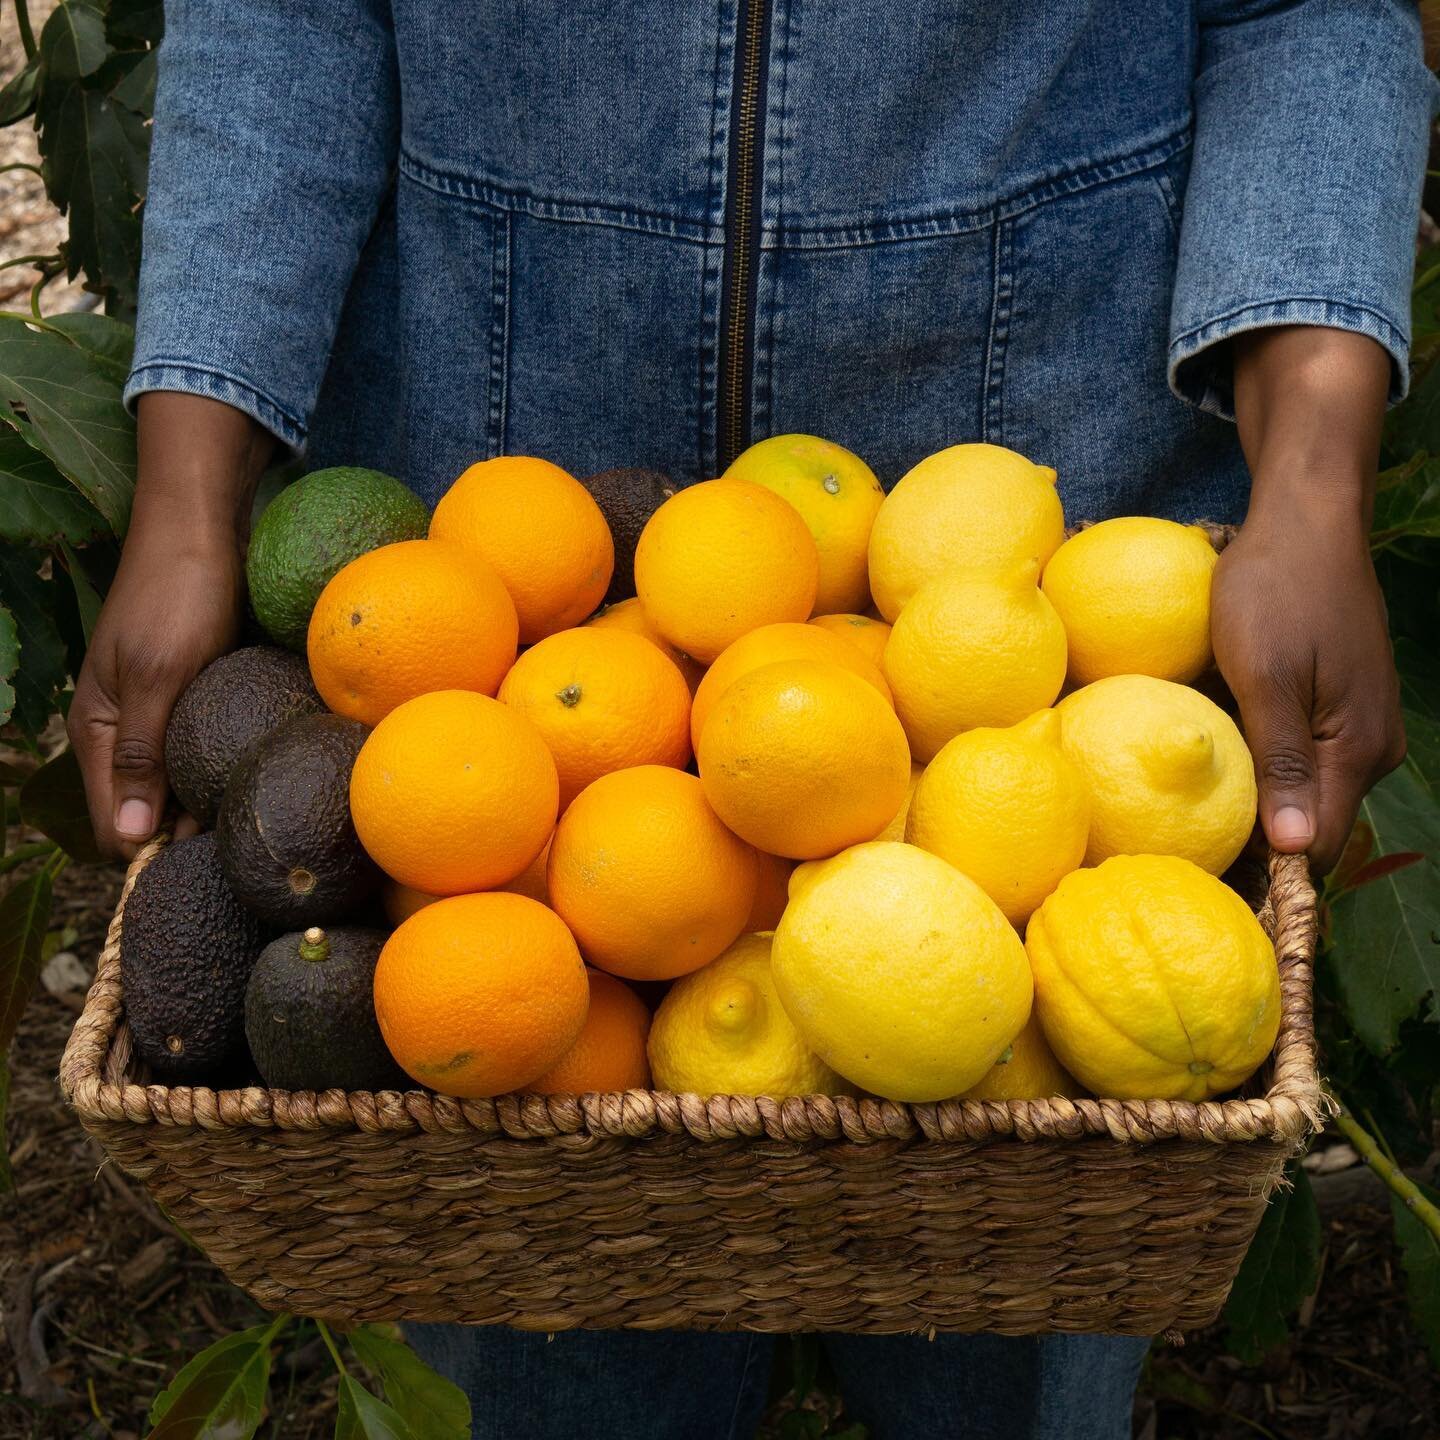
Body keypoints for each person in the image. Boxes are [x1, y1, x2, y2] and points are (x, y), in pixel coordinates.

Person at [70, 2, 1432, 1437]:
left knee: (1013, 1328)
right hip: (504, 584)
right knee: (551, 1345)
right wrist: (186, 483)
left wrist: (1315, 472)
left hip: (1026, 552)